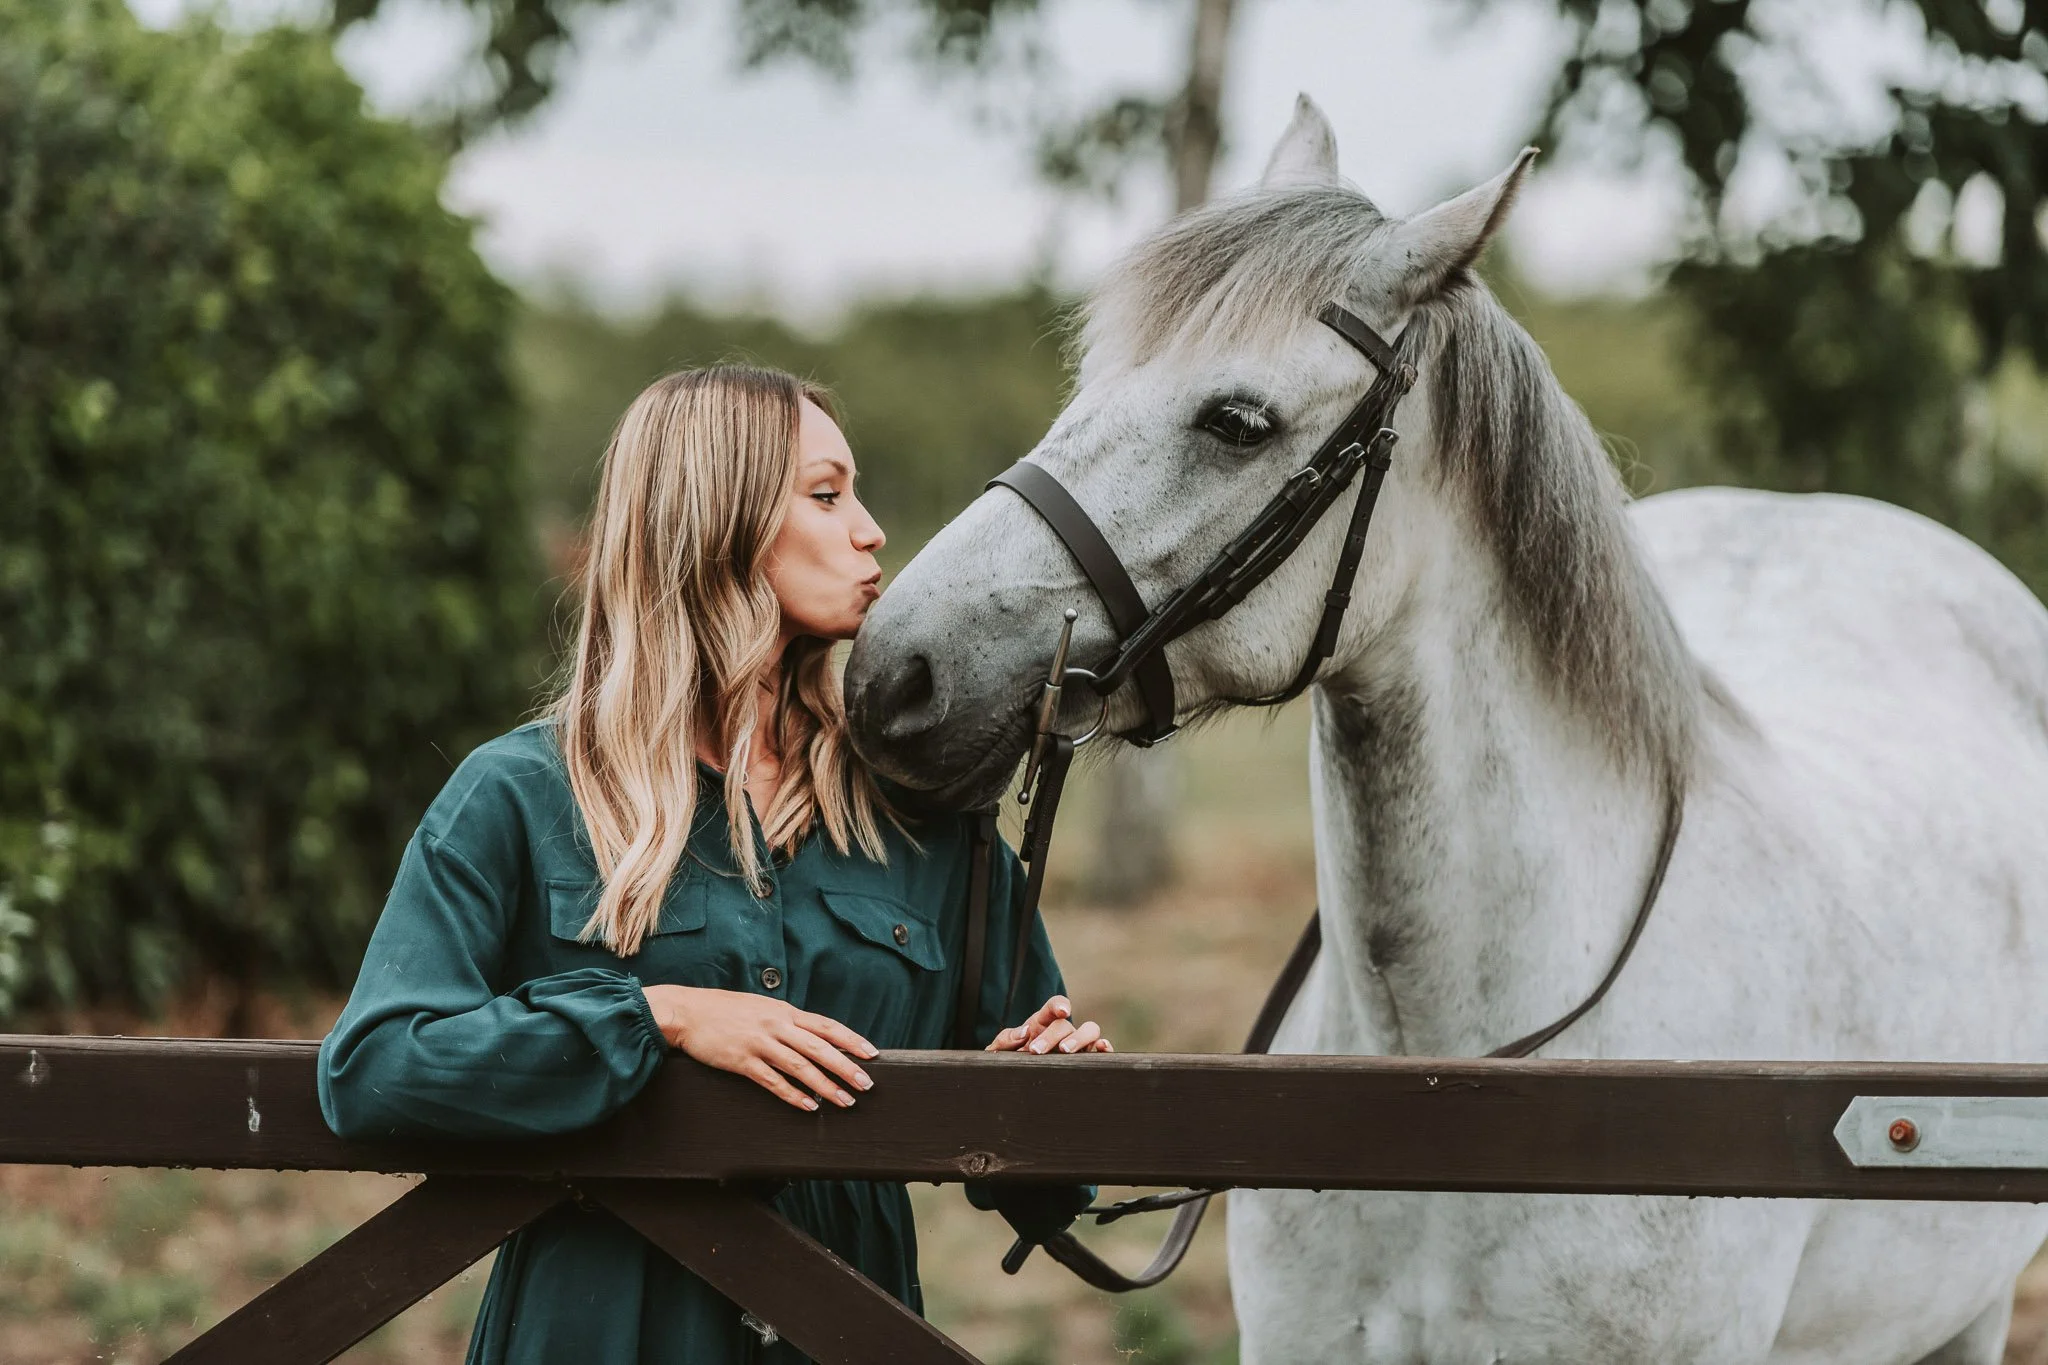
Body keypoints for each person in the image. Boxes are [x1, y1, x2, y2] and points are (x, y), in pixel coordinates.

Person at [316, 365, 1111, 1364]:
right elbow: (374, 1070)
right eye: (825, 496)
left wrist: (1040, 1091)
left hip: (845, 1338)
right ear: (715, 523)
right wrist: (659, 1017)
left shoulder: (928, 819)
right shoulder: (520, 795)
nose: (869, 532)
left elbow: (1044, 1194)